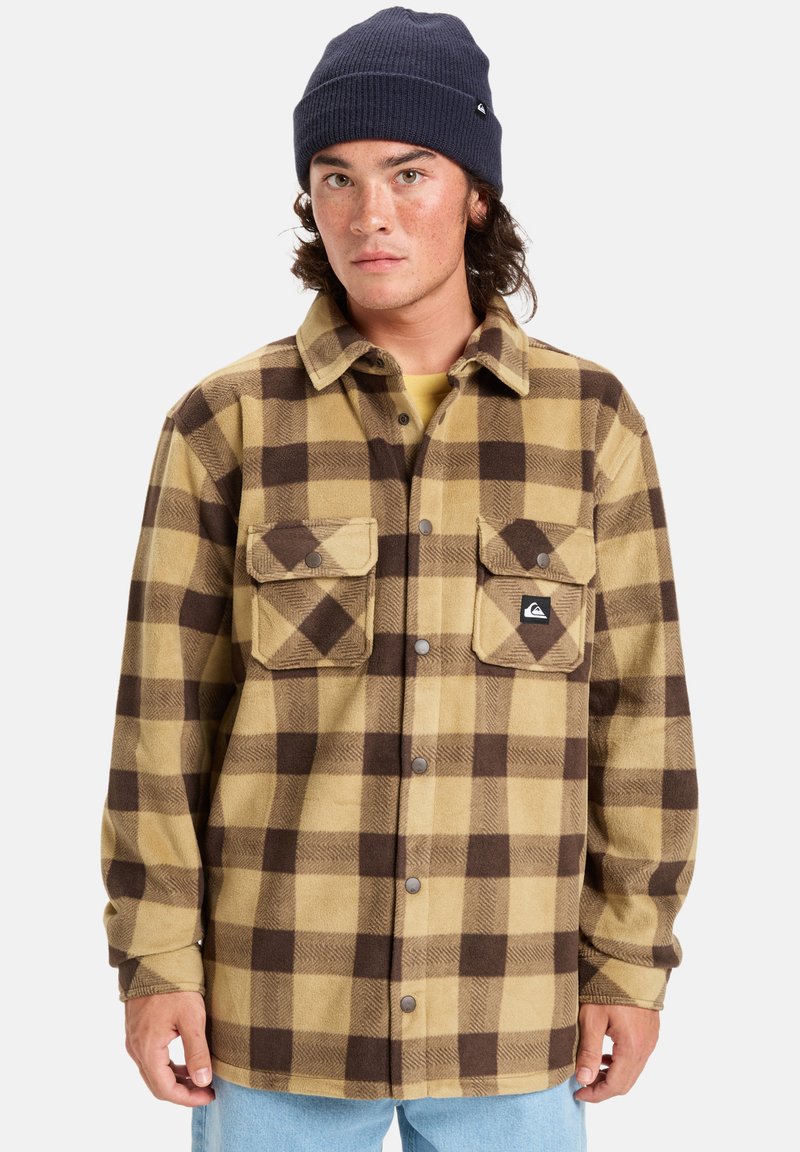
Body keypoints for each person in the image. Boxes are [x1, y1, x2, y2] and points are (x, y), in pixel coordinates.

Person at [100, 7, 698, 1150]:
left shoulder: (591, 424)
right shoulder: (224, 423)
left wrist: (628, 959)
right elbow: (160, 722)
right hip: (272, 1014)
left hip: (512, 1016)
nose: (368, 213)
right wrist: (155, 957)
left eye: (407, 173)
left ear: (474, 192)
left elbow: (640, 718)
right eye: (335, 177)